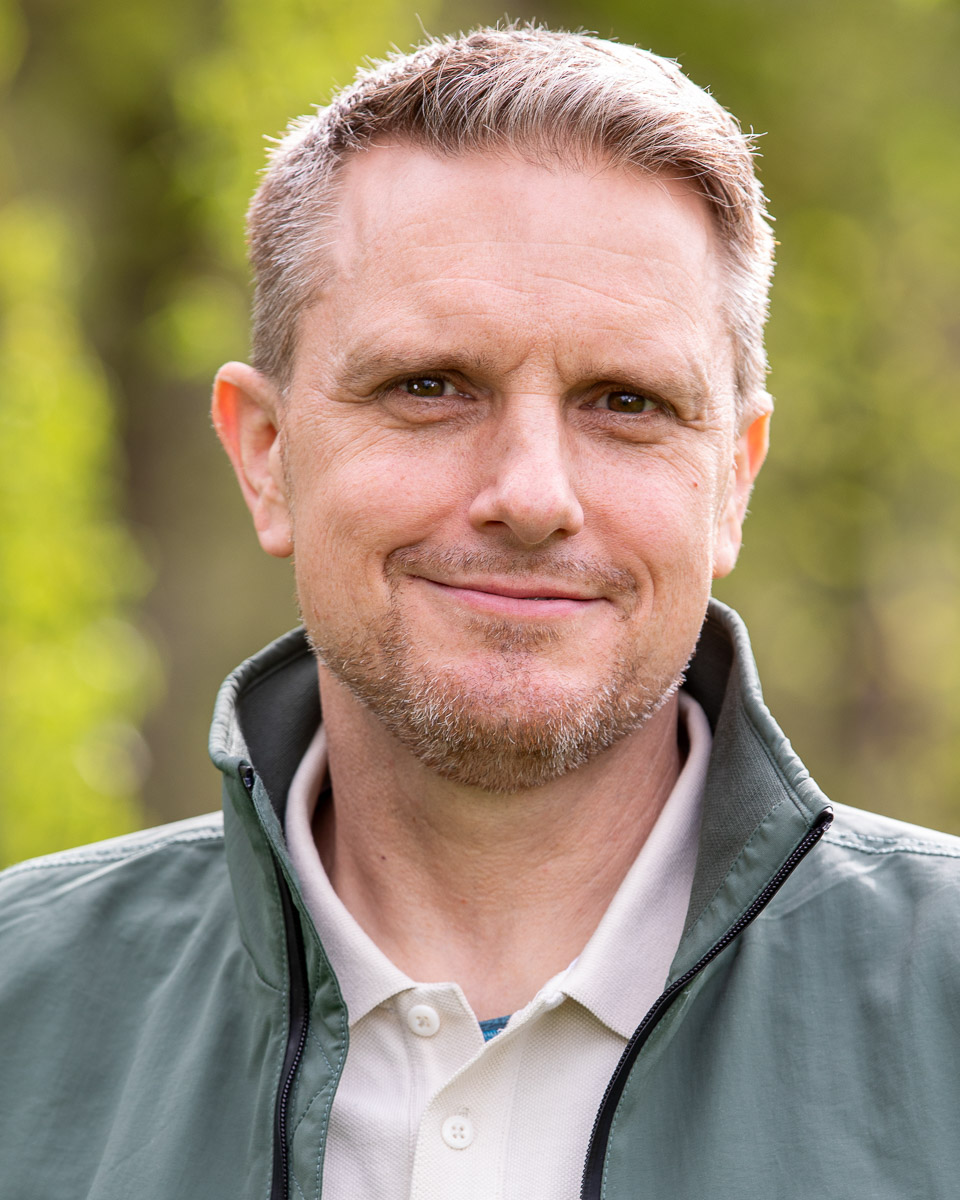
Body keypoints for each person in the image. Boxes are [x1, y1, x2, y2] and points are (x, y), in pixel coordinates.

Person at [2, 24, 959, 1200]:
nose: (534, 495)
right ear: (265, 455)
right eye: (430, 387)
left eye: (627, 402)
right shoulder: (21, 1017)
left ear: (732, 482)